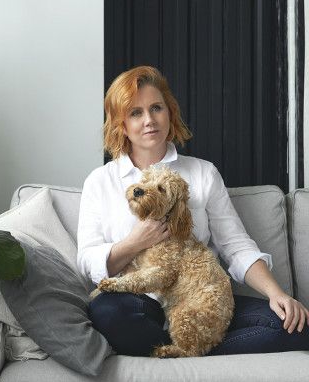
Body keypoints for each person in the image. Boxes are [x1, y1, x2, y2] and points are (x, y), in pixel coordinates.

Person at [77, 65, 309, 356]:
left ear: (169, 112)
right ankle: (182, 348)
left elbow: (235, 245)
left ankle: (184, 348)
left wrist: (277, 294)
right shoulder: (100, 181)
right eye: (135, 113)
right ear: (121, 124)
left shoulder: (203, 173)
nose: (149, 120)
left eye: (156, 108)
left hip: (197, 299)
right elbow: (87, 259)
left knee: (294, 327)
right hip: (137, 303)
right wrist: (134, 243)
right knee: (108, 314)